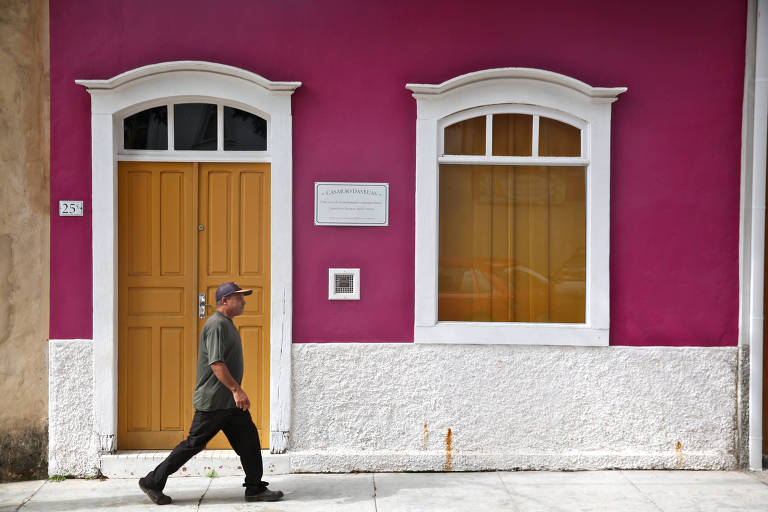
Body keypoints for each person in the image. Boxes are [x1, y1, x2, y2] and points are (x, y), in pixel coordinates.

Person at [138, 282, 283, 505]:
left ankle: (255, 488)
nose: (243, 302)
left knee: (250, 441)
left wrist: (234, 394)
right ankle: (152, 482)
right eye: (239, 298)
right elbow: (216, 363)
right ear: (224, 301)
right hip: (214, 402)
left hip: (230, 404)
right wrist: (237, 390)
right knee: (193, 444)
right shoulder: (216, 325)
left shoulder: (227, 324)